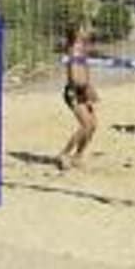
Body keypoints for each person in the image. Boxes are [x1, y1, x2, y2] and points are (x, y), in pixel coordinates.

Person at [59, 25, 99, 169]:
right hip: (74, 92)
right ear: (76, 35)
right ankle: (64, 154)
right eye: (83, 29)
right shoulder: (73, 50)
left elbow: (85, 72)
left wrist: (90, 89)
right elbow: (74, 77)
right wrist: (85, 88)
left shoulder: (82, 49)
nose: (86, 31)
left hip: (83, 91)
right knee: (86, 125)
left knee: (93, 126)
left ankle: (78, 156)